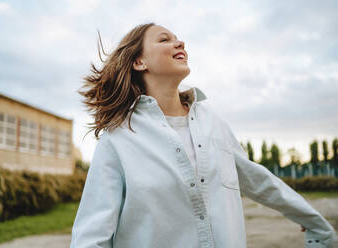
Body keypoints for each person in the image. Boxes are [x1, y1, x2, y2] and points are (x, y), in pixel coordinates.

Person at [70, 23, 337, 248]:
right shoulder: (118, 138)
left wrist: (317, 225)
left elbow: (259, 181)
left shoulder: (213, 123)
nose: (179, 42)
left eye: (178, 38)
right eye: (165, 39)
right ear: (139, 61)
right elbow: (92, 235)